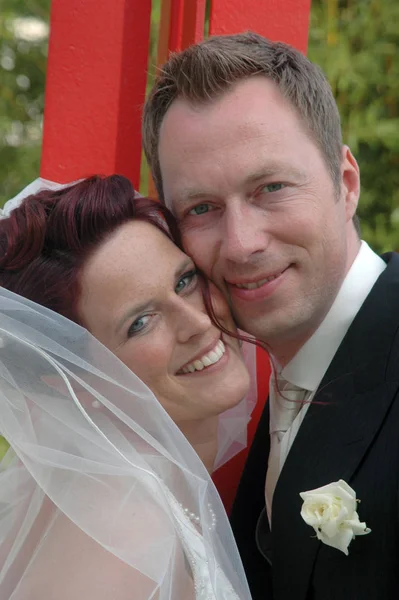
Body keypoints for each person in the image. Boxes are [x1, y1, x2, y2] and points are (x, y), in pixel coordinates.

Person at [142, 31, 399, 600]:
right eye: (202, 208)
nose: (240, 244)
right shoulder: (275, 389)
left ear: (346, 182)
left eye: (271, 188)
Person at [0, 175, 254, 599]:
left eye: (184, 281)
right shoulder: (126, 543)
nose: (198, 323)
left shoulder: (143, 495)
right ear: (75, 383)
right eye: (140, 322)